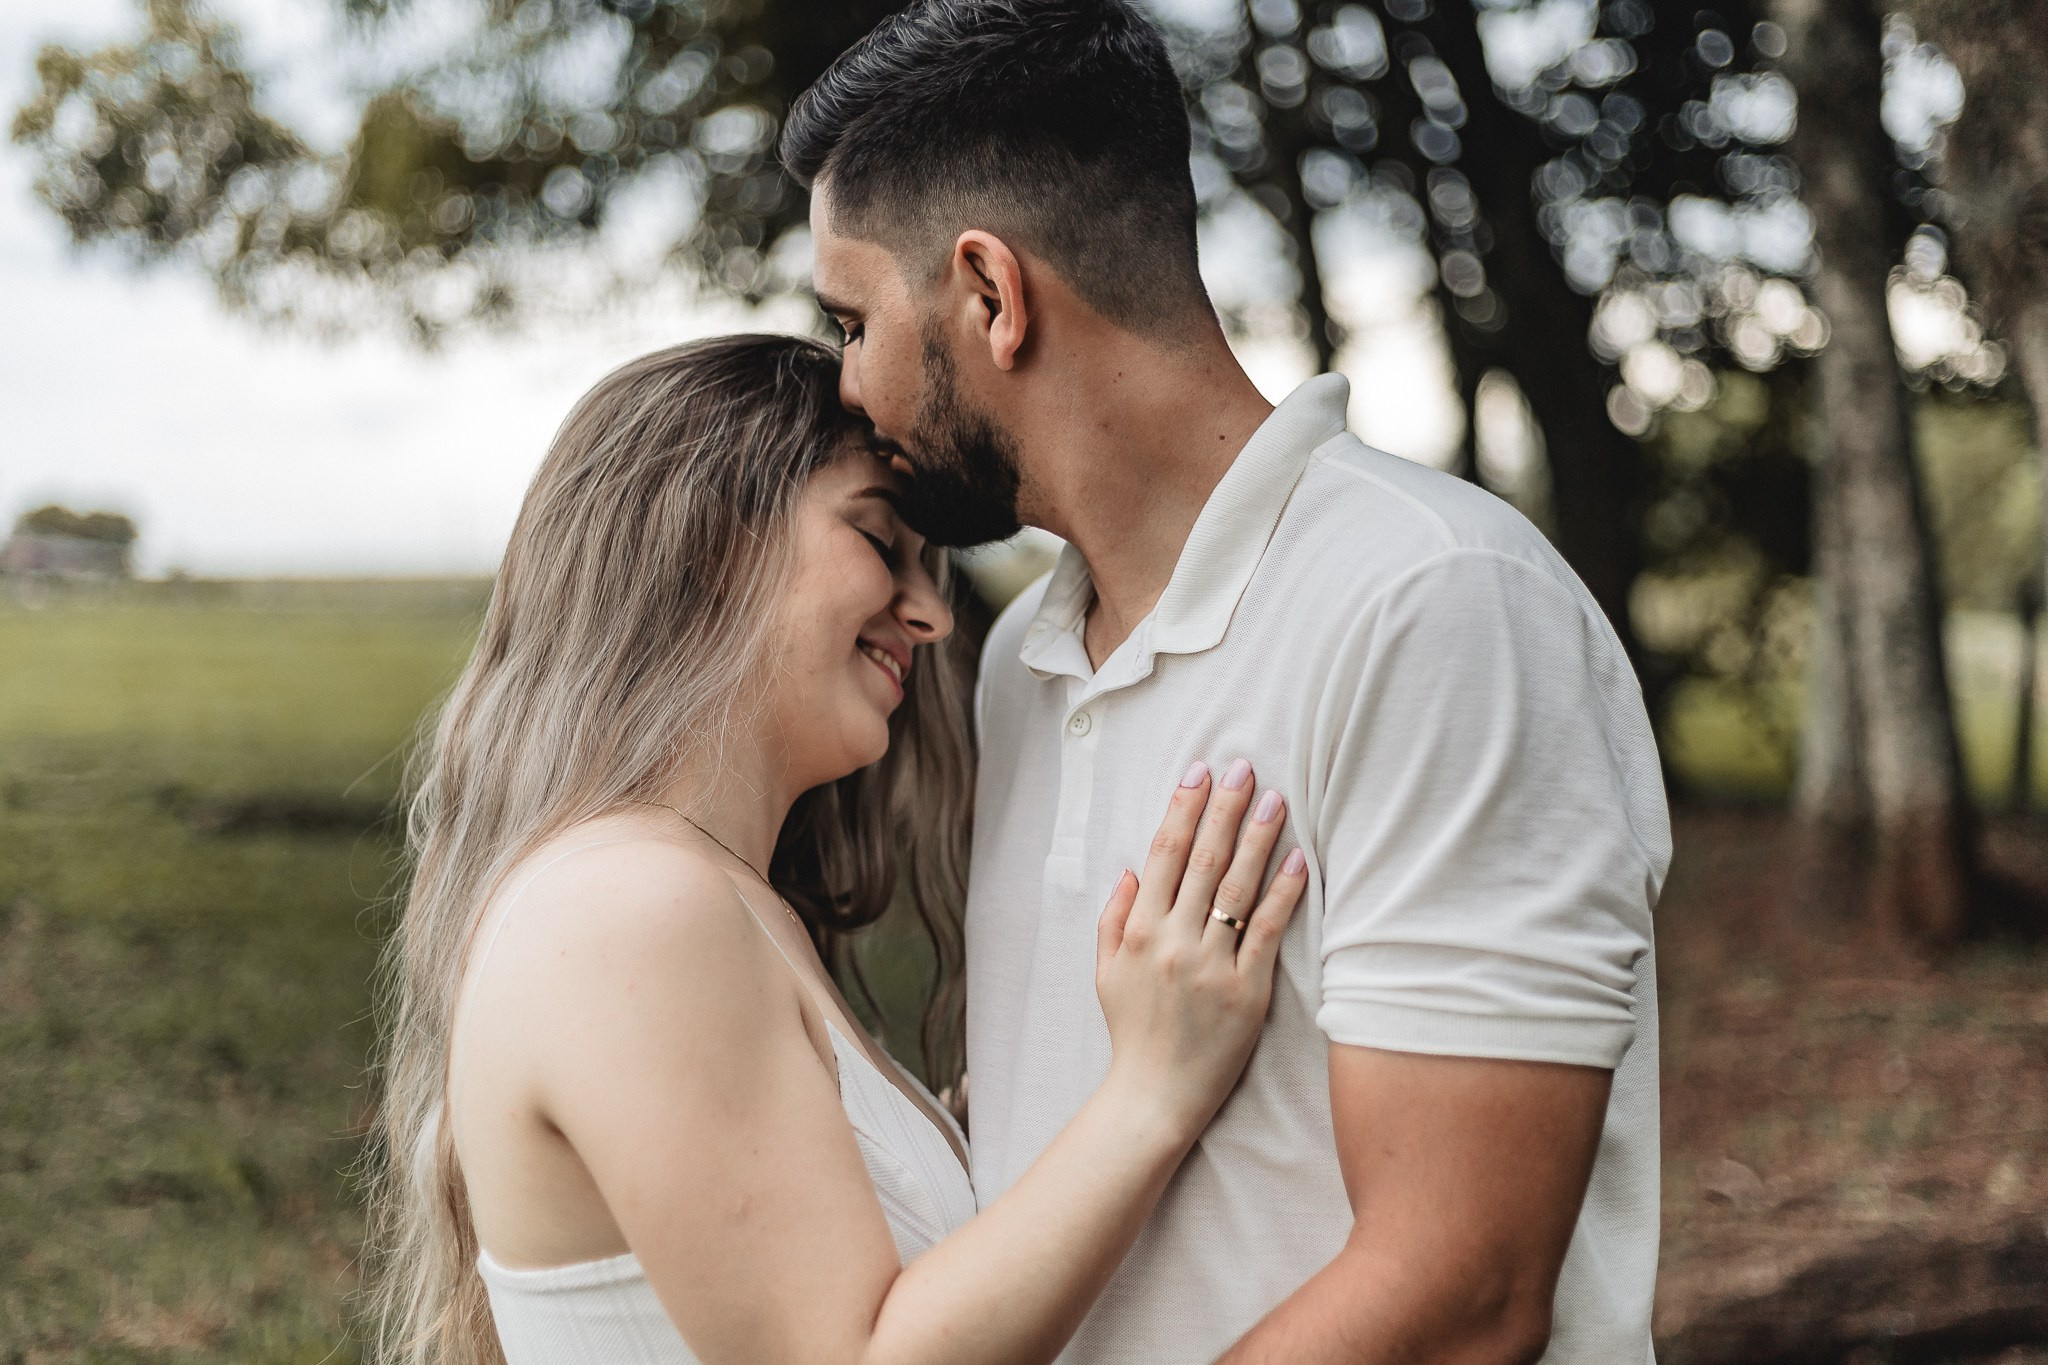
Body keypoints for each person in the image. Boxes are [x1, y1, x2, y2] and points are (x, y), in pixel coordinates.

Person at [782, 0, 1670, 1361]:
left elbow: (1465, 1289)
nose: (849, 388)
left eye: (853, 323)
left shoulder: (1429, 604)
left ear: (989, 296)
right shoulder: (1024, 671)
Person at [364, 334, 1309, 1364]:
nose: (932, 614)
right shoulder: (628, 908)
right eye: (877, 541)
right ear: (709, 539)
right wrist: (1149, 1092)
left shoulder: (707, 896)